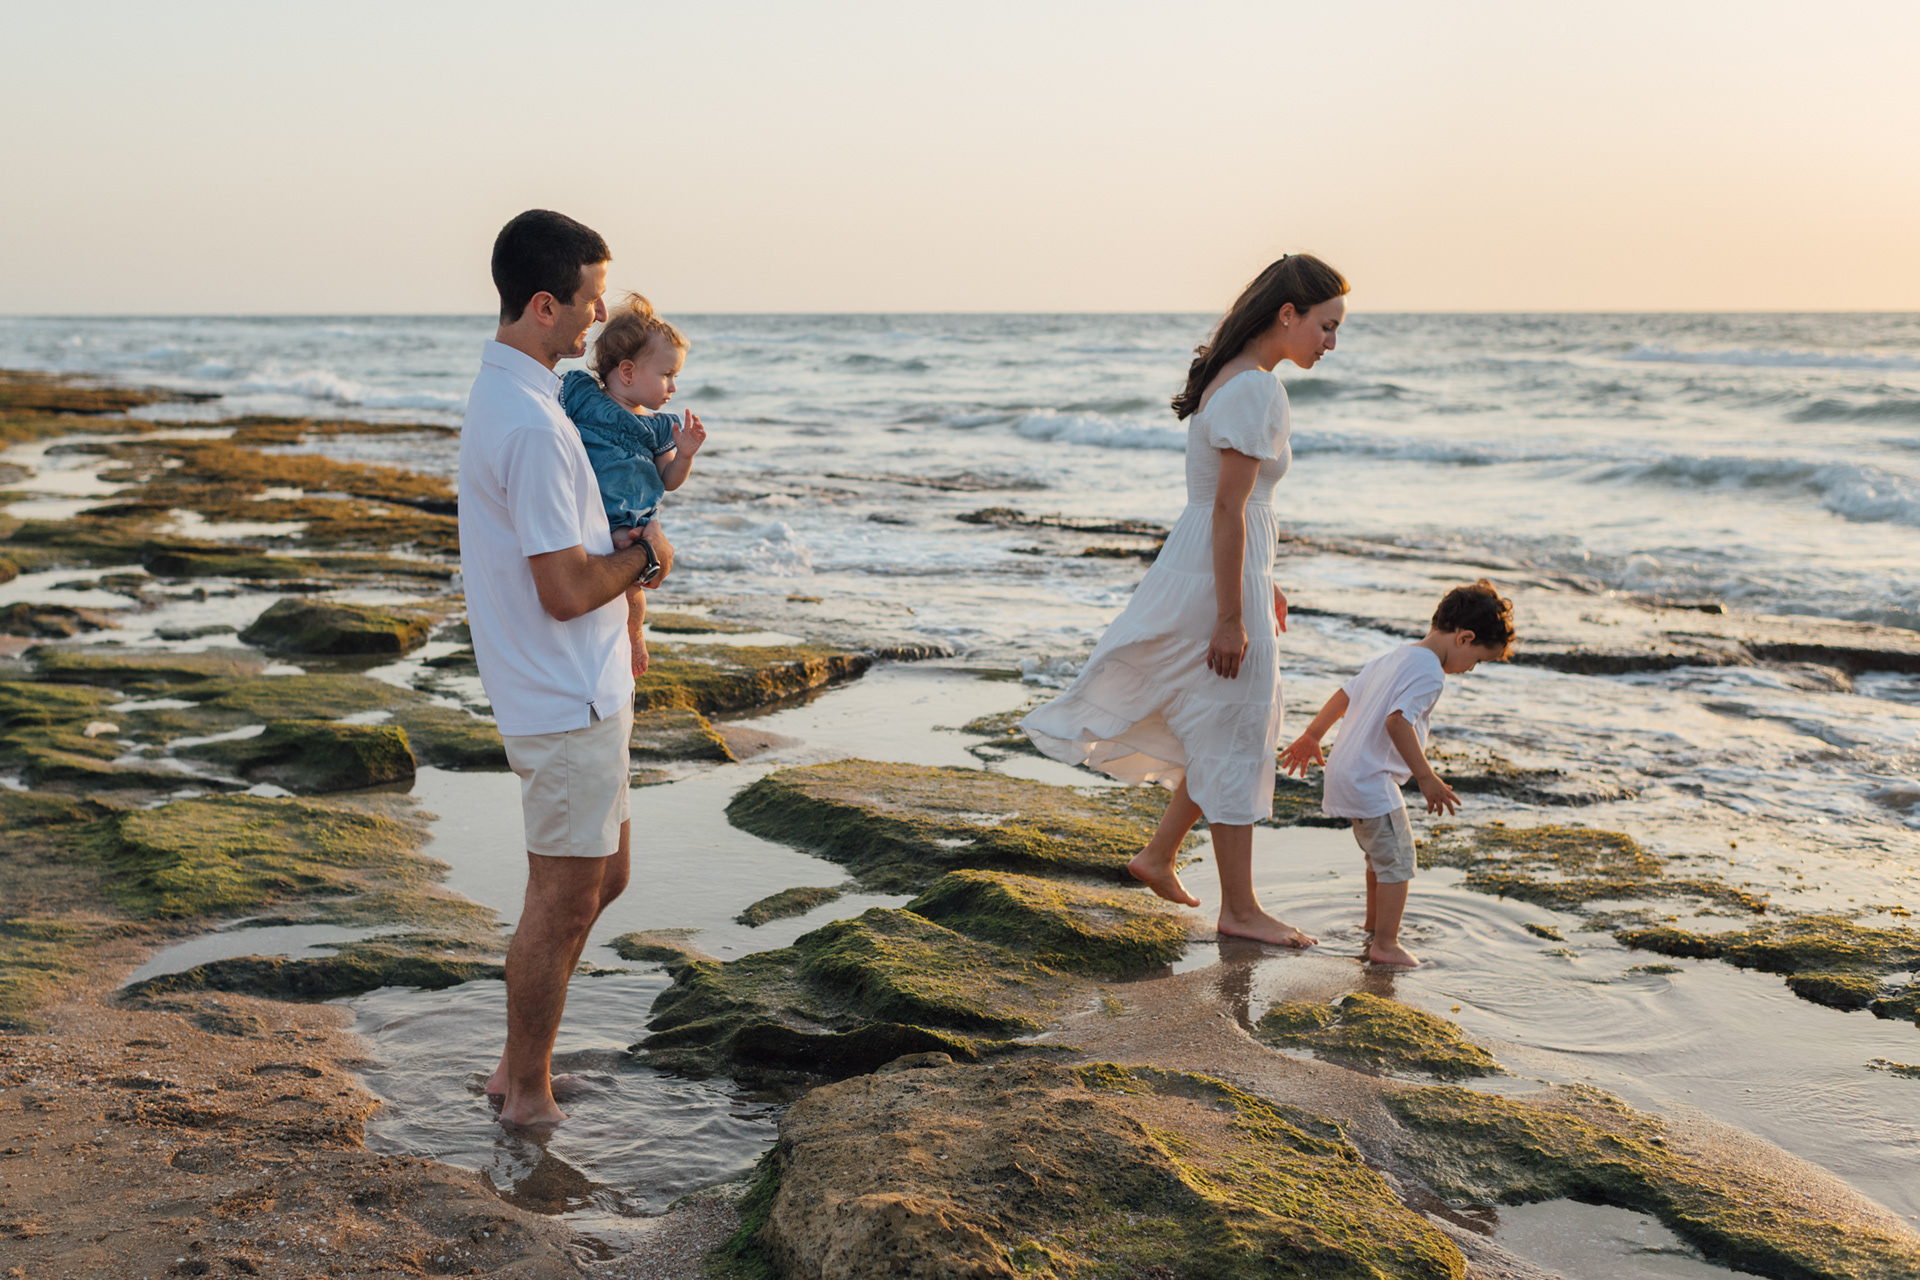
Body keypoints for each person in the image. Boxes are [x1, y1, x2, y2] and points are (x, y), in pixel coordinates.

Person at [1021, 254, 1349, 947]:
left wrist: (1264, 583)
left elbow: (1233, 510)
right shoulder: (1258, 391)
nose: (1331, 343)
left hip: (1211, 568)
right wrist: (1232, 616)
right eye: (1327, 326)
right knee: (1237, 729)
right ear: (1287, 315)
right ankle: (1240, 909)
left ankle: (1159, 856)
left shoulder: (1230, 381)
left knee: (1216, 724)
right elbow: (1229, 510)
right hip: (1215, 584)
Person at [456, 209, 673, 1128]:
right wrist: (648, 562)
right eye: (587, 301)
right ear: (544, 304)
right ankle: (524, 1092)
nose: (597, 321)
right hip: (561, 694)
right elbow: (563, 586)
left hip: (582, 686)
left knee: (603, 877)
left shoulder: (527, 399)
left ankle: (521, 1065)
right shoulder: (536, 428)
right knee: (564, 892)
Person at [1279, 580, 1516, 968]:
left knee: (1379, 857)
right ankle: (1386, 944)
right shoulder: (1430, 673)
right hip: (1371, 781)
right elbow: (1398, 723)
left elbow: (1345, 694)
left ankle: (1374, 928)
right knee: (1399, 860)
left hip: (1349, 772)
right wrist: (1426, 777)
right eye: (1477, 660)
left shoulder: (1394, 656)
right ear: (1465, 638)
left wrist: (1312, 735)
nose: (1469, 670)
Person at [559, 294, 707, 676]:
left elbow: (668, 481)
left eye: (676, 377)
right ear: (627, 372)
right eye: (666, 375)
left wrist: (686, 455)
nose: (673, 386)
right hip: (584, 515)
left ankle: (634, 634)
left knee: (632, 592)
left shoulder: (658, 428)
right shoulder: (583, 395)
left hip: (630, 524)